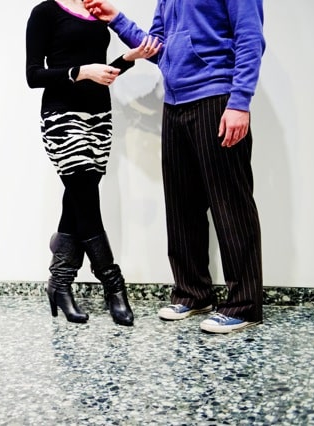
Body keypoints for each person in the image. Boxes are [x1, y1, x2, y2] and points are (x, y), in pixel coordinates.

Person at [84, 0, 265, 333]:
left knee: (230, 205)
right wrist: (117, 20)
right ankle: (194, 293)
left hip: (217, 98)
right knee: (182, 207)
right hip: (175, 103)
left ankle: (244, 304)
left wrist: (240, 102)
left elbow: (250, 37)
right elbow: (157, 47)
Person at [25, 0, 160, 325]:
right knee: (86, 199)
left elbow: (102, 74)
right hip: (62, 115)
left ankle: (59, 282)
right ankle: (114, 286)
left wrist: (127, 60)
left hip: (99, 116)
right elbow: (33, 75)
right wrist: (80, 72)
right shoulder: (45, 12)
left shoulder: (97, 13)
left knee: (78, 201)